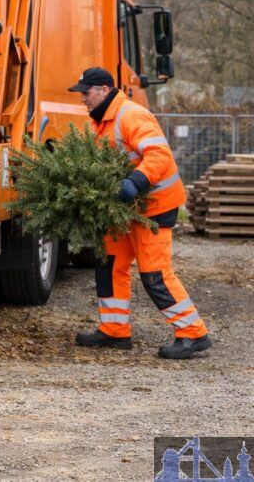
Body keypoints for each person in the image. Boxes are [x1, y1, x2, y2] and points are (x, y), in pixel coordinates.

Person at [69, 66, 211, 359]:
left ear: (105, 90)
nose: (82, 97)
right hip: (126, 209)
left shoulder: (132, 115)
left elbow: (158, 155)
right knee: (108, 263)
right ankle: (114, 330)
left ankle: (193, 333)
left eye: (86, 92)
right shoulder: (101, 121)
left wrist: (135, 181)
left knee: (155, 273)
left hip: (154, 208)